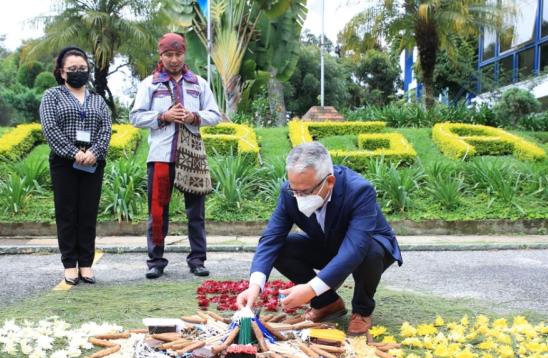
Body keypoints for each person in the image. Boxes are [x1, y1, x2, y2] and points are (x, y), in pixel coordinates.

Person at [236, 142, 403, 335]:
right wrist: (254, 287)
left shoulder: (359, 191)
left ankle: (362, 310)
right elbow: (271, 238)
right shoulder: (289, 193)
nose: (298, 197)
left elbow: (355, 248)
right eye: (294, 190)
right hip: (326, 244)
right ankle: (328, 304)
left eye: (306, 192)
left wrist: (310, 289)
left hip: (367, 247)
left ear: (329, 181)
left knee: (370, 250)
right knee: (281, 247)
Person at [130, 32, 221, 280]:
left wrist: (194, 117)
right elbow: (136, 117)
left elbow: (215, 114)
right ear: (160, 55)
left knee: (196, 212)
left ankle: (197, 259)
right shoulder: (150, 84)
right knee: (158, 211)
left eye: (178, 54)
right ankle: (156, 261)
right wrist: (163, 117)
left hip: (192, 156)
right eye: (168, 54)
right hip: (161, 156)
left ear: (184, 54)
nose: (173, 59)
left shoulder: (198, 83)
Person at [40, 46, 112, 285]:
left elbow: (106, 129)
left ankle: (86, 265)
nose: (78, 72)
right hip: (64, 163)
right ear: (62, 72)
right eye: (72, 69)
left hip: (93, 162)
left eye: (82, 68)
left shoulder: (98, 100)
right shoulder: (52, 96)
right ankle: (70, 264)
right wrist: (73, 152)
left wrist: (94, 152)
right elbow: (50, 128)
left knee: (88, 213)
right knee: (67, 213)